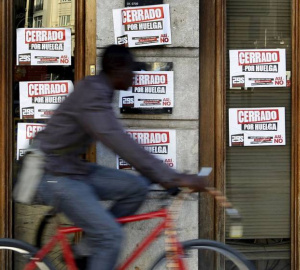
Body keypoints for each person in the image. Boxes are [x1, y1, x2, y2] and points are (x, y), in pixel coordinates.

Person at [34, 45, 207, 270]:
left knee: (135, 188)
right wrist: (170, 177)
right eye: (131, 69)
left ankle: (85, 249)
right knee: (110, 236)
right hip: (55, 175)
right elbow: (120, 142)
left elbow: (122, 142)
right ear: (117, 68)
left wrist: (164, 177)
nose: (134, 75)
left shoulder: (100, 90)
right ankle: (94, 246)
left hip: (73, 170)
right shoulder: (93, 95)